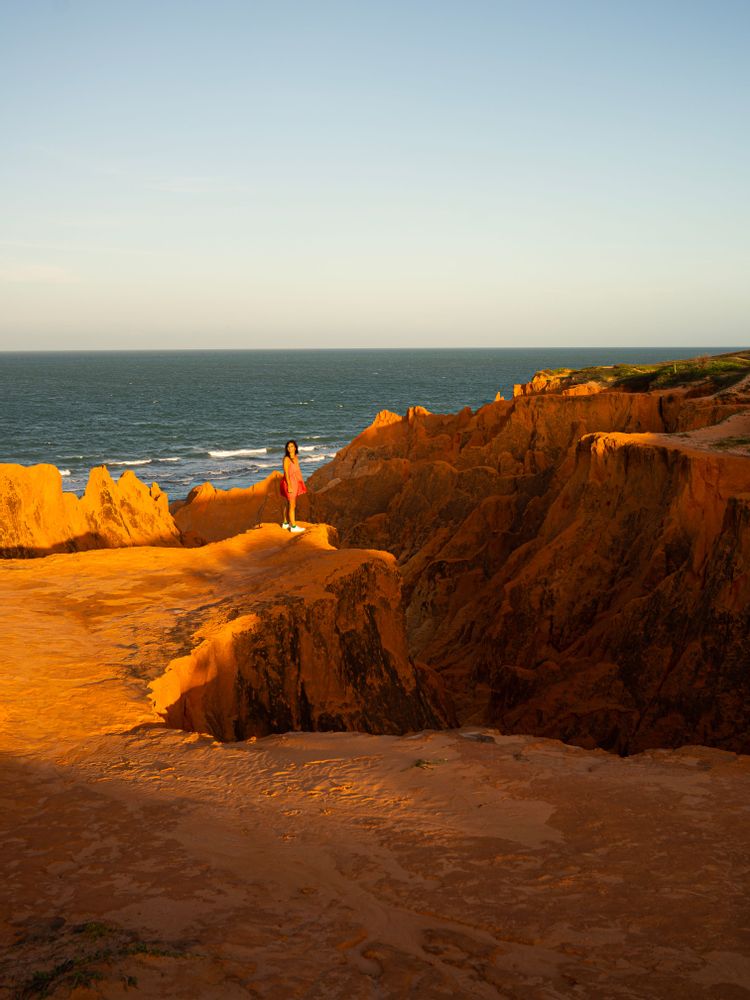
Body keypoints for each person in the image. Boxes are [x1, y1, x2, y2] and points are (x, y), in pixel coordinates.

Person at [280, 439, 307, 533]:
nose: (289, 448)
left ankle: (285, 523)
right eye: (288, 447)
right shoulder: (286, 459)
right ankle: (294, 527)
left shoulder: (296, 457)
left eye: (291, 446)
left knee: (289, 503)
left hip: (295, 482)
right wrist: (289, 486)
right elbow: (286, 473)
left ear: (295, 447)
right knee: (292, 504)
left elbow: (297, 471)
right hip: (289, 483)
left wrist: (300, 482)